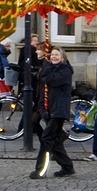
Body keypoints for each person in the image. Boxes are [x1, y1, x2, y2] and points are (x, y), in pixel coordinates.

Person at [31, 46, 76, 179]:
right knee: (55, 141)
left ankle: (40, 170)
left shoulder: (65, 71)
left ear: (62, 58)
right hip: (49, 109)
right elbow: (42, 86)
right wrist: (42, 109)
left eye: (57, 55)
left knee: (47, 139)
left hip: (58, 111)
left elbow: (51, 80)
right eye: (52, 55)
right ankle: (67, 166)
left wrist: (46, 65)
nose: (54, 57)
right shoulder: (49, 68)